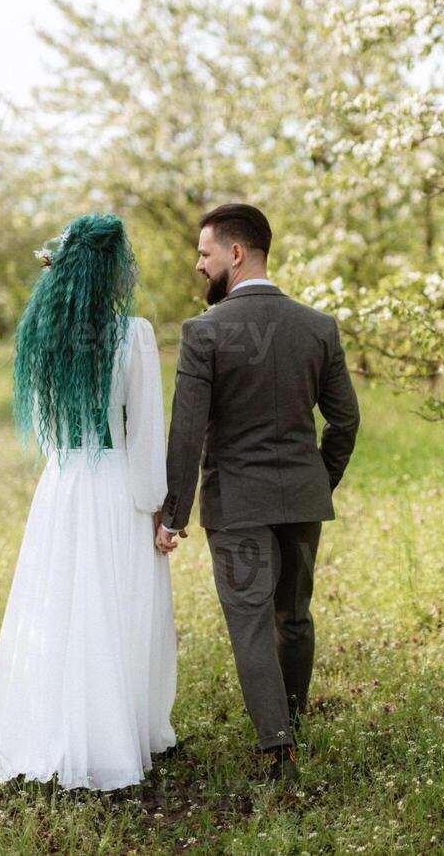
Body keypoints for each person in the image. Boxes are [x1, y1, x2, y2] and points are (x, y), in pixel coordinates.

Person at [0, 213, 179, 792]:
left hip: (62, 485)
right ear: (111, 272)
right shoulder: (131, 334)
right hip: (112, 484)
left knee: (59, 603)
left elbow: (42, 422)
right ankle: (113, 734)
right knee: (114, 604)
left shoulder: (41, 338)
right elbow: (143, 436)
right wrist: (157, 511)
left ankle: (50, 724)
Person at [158, 202, 361, 786]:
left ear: (236, 253)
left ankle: (278, 752)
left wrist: (174, 515)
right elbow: (345, 422)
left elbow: (188, 432)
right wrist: (318, 480)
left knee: (250, 622)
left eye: (205, 253)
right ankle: (290, 727)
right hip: (301, 500)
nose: (199, 265)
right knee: (292, 618)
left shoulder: (203, 332)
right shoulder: (317, 326)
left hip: (239, 505)